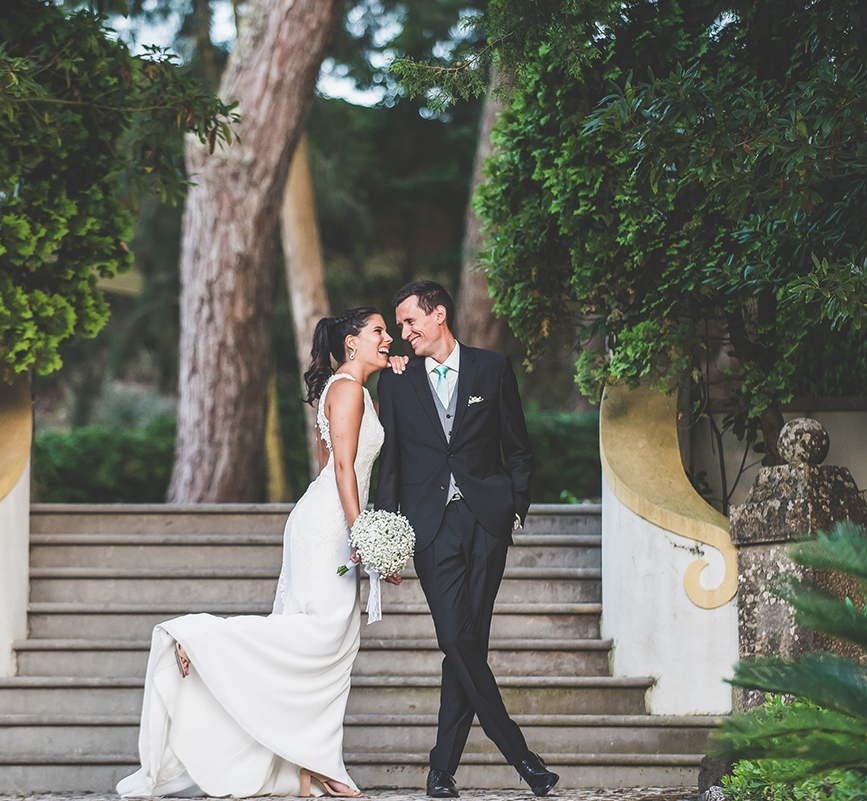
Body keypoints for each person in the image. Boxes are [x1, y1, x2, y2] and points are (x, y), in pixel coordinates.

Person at [117, 308, 396, 798]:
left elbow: (326, 464)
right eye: (379, 331)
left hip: (327, 517)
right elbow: (344, 470)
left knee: (334, 644)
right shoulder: (348, 389)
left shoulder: (352, 389)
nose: (389, 339)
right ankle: (197, 636)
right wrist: (363, 537)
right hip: (331, 524)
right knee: (317, 634)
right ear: (352, 342)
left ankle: (311, 767)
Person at [375, 281, 559, 797]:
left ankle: (441, 772)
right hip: (429, 526)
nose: (403, 332)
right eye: (399, 324)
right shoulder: (396, 382)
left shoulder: (492, 369)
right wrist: (387, 531)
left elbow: (517, 448)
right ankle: (523, 759)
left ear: (438, 316)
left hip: (486, 520)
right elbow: (390, 466)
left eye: (410, 321)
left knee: (467, 644)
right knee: (457, 639)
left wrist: (514, 509)